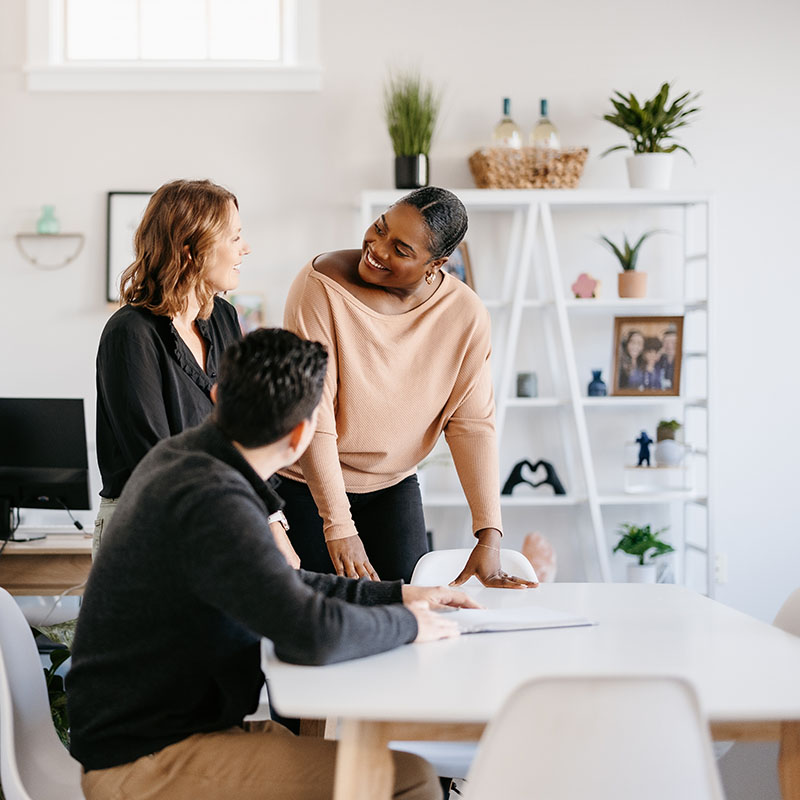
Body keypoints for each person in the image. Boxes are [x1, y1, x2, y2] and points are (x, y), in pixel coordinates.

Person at [67, 328, 474, 800]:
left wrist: (399, 594)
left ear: (217, 395)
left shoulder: (184, 461)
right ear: (301, 435)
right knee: (407, 777)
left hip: (159, 735)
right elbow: (311, 634)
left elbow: (281, 585)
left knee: (349, 759)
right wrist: (408, 624)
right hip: (143, 762)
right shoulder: (212, 498)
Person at [280, 186, 537, 588]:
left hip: (392, 486)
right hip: (305, 485)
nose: (377, 249)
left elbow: (471, 424)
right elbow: (316, 413)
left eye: (400, 250)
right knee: (323, 619)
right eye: (380, 229)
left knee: (408, 615)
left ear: (437, 264)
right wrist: (339, 526)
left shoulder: (465, 315)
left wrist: (490, 534)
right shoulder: (320, 287)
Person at [93, 179, 297, 567]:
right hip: (147, 522)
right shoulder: (130, 333)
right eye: (235, 237)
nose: (246, 248)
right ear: (190, 250)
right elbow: (155, 459)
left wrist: (271, 520)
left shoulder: (224, 317)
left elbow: (244, 431)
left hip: (220, 509)